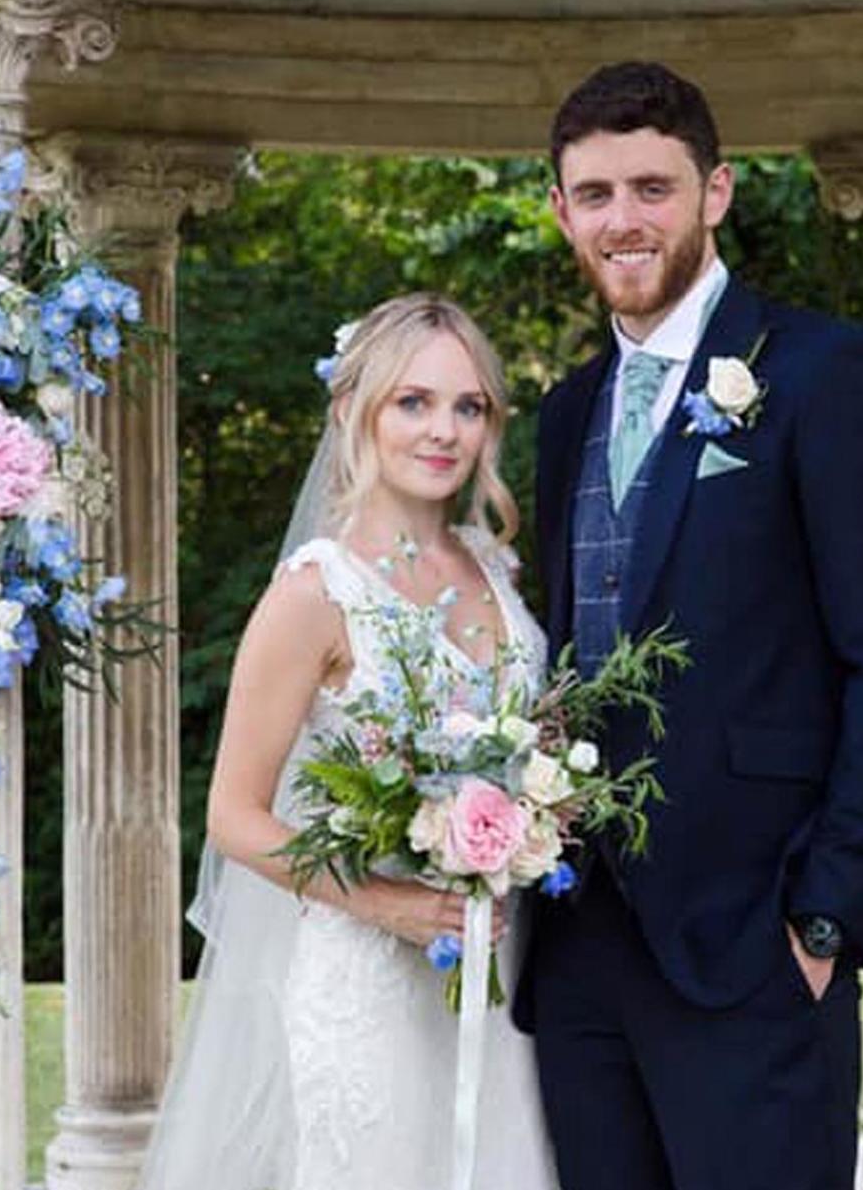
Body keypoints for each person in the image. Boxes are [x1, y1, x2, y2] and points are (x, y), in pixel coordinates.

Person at [516, 61, 863, 1190]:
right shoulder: (566, 411)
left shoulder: (826, 372)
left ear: (713, 193)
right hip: (576, 947)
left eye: (652, 188)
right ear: (561, 208)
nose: (624, 220)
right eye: (596, 193)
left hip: (754, 939)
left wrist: (820, 920)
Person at [136, 294, 559, 1190]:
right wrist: (384, 902)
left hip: (497, 964)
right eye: (413, 401)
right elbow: (233, 817)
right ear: (354, 411)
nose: (442, 429)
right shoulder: (315, 593)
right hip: (366, 973)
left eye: (468, 405)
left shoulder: (497, 567)